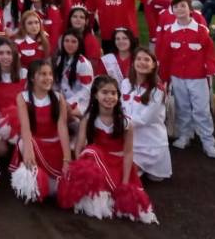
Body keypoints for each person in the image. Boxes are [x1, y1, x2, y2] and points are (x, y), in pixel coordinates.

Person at [59, 76, 157, 223]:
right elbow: (79, 148)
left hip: (117, 165)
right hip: (97, 165)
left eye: (113, 93)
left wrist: (125, 181)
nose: (109, 97)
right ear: (95, 95)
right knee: (91, 151)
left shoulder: (126, 122)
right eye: (105, 92)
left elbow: (129, 153)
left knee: (128, 204)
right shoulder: (88, 118)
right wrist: (79, 174)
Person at [156, 0, 215, 158]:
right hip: (177, 76)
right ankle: (185, 135)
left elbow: (210, 53)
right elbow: (166, 56)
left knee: (201, 109)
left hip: (198, 77)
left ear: (190, 9)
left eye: (183, 6)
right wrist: (164, 77)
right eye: (175, 7)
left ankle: (208, 142)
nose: (179, 9)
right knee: (183, 107)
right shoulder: (170, 31)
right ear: (172, 10)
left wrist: (212, 68)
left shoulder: (201, 30)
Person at [12, 60, 71, 202]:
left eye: (50, 74)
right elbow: (25, 128)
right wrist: (28, 149)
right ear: (32, 78)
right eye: (43, 74)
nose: (48, 78)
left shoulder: (58, 98)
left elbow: (62, 128)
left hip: (54, 145)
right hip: (35, 142)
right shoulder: (23, 97)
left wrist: (67, 159)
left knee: (55, 191)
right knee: (23, 144)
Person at [121, 48, 171, 181]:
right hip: (128, 140)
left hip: (149, 145)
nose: (142, 62)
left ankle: (148, 166)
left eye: (147, 59)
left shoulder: (157, 90)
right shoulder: (125, 83)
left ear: (154, 65)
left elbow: (142, 120)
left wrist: (114, 123)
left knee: (152, 178)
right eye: (138, 59)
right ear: (133, 63)